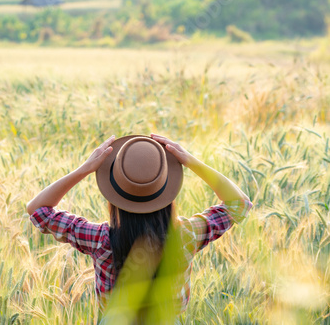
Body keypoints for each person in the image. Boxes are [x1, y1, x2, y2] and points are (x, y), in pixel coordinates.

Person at [26, 134, 253, 322]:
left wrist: (84, 169)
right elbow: (239, 204)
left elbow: (37, 210)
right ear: (167, 191)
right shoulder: (185, 235)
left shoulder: (99, 239)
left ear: (114, 195)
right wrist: (192, 161)